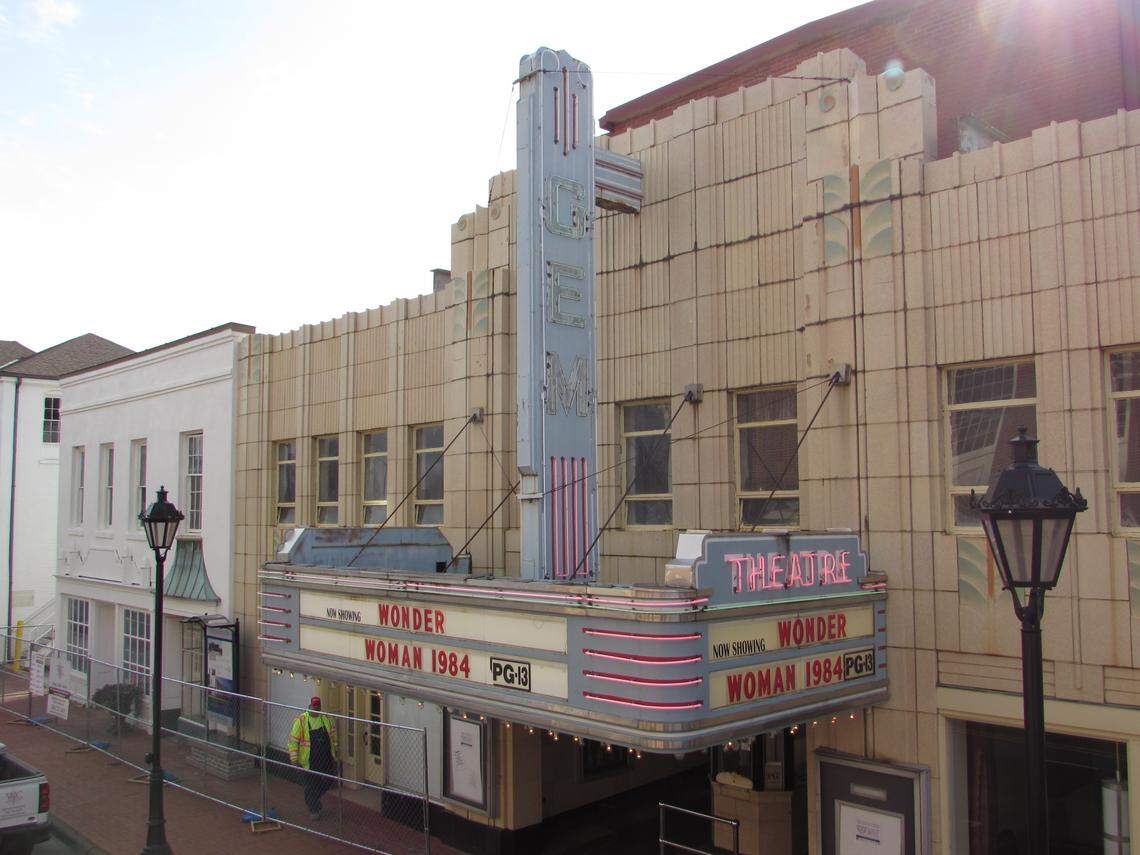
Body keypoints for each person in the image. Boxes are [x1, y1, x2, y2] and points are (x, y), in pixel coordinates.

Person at [287, 696, 339, 820]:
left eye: (317, 708)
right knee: (311, 785)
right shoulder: (301, 720)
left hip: (326, 759)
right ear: (310, 706)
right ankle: (313, 809)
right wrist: (294, 759)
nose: (315, 710)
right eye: (314, 707)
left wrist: (336, 752)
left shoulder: (326, 719)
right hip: (309, 761)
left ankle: (313, 800)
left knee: (329, 780)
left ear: (320, 707)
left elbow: (333, 737)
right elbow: (293, 741)